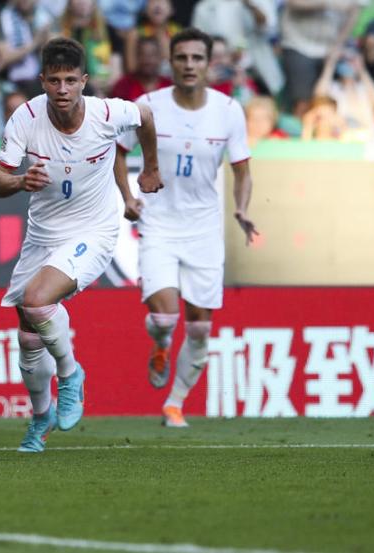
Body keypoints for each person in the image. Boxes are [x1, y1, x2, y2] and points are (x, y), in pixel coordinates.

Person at [0, 37, 161, 452]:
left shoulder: (107, 112)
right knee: (29, 338)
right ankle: (41, 416)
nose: (62, 89)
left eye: (70, 80)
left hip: (94, 231)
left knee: (37, 300)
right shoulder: (25, 119)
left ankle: (70, 374)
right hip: (42, 236)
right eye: (54, 81)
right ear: (43, 82)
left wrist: (150, 167)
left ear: (84, 81)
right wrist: (19, 181)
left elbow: (146, 115)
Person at [115, 27, 258, 428]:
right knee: (164, 317)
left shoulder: (228, 110)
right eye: (182, 58)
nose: (189, 65)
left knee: (198, 326)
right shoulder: (146, 105)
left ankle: (174, 403)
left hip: (204, 228)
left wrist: (241, 209)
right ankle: (160, 344)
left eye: (197, 58)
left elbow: (243, 171)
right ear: (171, 62)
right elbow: (118, 152)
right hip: (159, 222)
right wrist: (127, 197)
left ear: (208, 64)